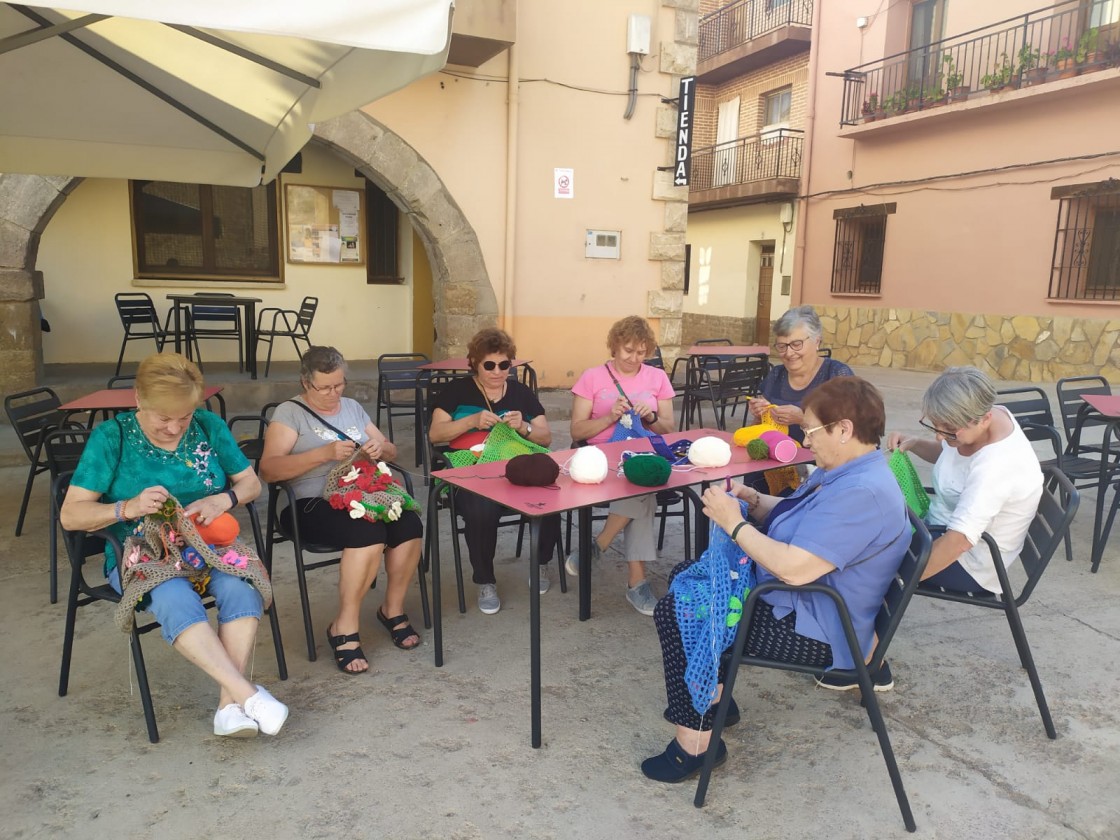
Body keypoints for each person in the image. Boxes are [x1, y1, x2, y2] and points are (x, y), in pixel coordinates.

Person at [641, 376, 910, 783]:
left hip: (816, 628)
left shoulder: (863, 493)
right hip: (805, 604)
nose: (806, 438)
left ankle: (695, 745)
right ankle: (715, 701)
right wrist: (755, 501)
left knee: (678, 610)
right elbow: (806, 520)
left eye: (812, 429)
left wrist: (734, 524)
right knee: (686, 577)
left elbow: (795, 568)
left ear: (843, 430)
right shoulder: (850, 471)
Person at [60, 352, 288, 738]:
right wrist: (127, 507)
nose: (174, 428)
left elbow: (251, 484)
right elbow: (71, 515)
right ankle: (248, 696)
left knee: (242, 585)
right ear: (138, 399)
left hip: (208, 543)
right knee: (174, 597)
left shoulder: (208, 426)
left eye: (183, 417)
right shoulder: (111, 438)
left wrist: (224, 500)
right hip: (141, 552)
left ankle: (227, 709)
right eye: (163, 418)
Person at [260, 346, 423, 674]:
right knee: (367, 532)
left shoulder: (351, 408)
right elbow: (269, 470)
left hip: (359, 492)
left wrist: (382, 449)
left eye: (339, 385)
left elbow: (390, 449)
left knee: (408, 524)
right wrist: (323, 454)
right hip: (307, 503)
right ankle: (343, 627)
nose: (334, 393)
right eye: (325, 387)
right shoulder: (289, 413)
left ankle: (391, 609)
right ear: (306, 382)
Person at [428, 328, 562, 614]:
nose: (497, 371)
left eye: (504, 365)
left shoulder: (521, 393)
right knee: (480, 509)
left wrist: (524, 427)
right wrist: (471, 422)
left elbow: (545, 437)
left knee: (552, 496)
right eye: (489, 365)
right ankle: (485, 580)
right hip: (472, 467)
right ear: (475, 362)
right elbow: (435, 435)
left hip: (516, 464)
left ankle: (541, 563)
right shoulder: (456, 391)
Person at [887, 366, 1043, 596]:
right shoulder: (986, 414)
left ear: (983, 420)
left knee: (866, 556)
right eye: (935, 425)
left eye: (949, 430)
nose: (940, 436)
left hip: (969, 564)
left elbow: (958, 542)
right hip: (942, 530)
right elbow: (950, 455)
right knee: (870, 532)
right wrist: (916, 443)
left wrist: (896, 580)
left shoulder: (996, 468)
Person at [568, 315, 676, 616]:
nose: (634, 358)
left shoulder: (657, 379)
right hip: (600, 457)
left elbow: (670, 430)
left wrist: (651, 418)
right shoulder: (592, 377)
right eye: (628, 350)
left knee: (643, 480)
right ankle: (636, 583)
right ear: (614, 346)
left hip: (641, 453)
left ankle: (599, 545)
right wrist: (609, 417)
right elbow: (577, 431)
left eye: (642, 352)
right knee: (644, 488)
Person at [748, 305, 853, 444]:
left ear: (817, 341)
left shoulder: (837, 375)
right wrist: (759, 414)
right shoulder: (776, 375)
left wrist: (804, 419)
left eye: (796, 344)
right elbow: (761, 432)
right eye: (781, 346)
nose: (789, 353)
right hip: (779, 457)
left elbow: (851, 433)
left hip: (822, 462)